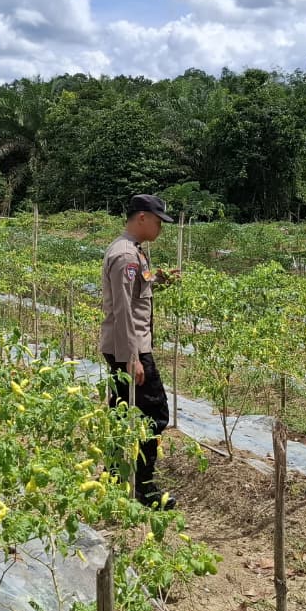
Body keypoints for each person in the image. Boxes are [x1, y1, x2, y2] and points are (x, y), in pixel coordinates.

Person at [100, 193, 178, 508]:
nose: (160, 227)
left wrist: (158, 280)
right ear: (142, 217)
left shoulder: (134, 253)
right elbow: (123, 310)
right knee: (155, 415)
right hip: (129, 348)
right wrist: (133, 357)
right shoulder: (125, 257)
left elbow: (136, 292)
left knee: (123, 413)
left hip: (124, 346)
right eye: (158, 221)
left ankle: (117, 477)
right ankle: (143, 488)